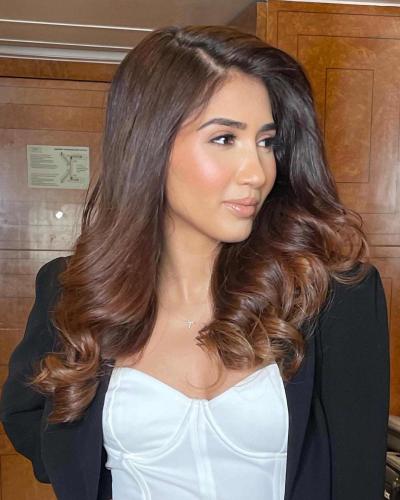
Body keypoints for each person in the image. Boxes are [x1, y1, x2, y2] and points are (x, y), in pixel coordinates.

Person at [0, 24, 390, 500]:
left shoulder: (333, 296)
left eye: (266, 142)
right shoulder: (73, 288)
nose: (257, 172)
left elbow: (356, 475)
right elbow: (30, 418)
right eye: (225, 138)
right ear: (150, 145)